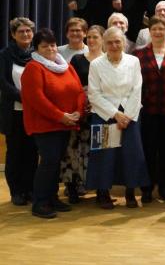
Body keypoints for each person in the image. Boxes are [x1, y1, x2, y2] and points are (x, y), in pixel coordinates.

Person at [20, 29, 86, 218]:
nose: (50, 48)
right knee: (48, 163)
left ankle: (52, 198)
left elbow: (79, 91)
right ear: (37, 49)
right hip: (45, 125)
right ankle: (40, 203)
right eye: (44, 46)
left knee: (56, 163)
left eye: (52, 44)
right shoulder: (34, 68)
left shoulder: (65, 66)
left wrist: (78, 112)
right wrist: (60, 116)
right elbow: (37, 100)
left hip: (66, 123)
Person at [86, 27, 149, 209]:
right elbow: (94, 94)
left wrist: (127, 116)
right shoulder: (96, 64)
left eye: (117, 41)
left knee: (132, 154)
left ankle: (130, 192)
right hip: (104, 114)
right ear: (104, 44)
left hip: (130, 114)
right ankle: (103, 193)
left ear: (124, 43)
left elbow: (137, 89)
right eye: (110, 42)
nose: (114, 45)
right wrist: (116, 114)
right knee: (105, 156)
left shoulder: (133, 61)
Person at [133, 16, 165, 202]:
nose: (157, 32)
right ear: (149, 31)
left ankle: (164, 187)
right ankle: (147, 188)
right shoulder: (138, 54)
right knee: (148, 150)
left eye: (161, 29)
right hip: (148, 110)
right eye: (153, 29)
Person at [61, 25, 104, 203]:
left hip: (100, 110)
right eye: (90, 37)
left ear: (103, 39)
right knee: (73, 149)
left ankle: (92, 185)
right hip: (80, 109)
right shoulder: (78, 59)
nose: (92, 40)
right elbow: (70, 85)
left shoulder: (107, 60)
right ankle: (71, 187)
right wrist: (81, 105)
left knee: (95, 150)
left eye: (96, 37)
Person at [0, 17, 37, 206]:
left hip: (35, 113)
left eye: (28, 31)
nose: (25, 34)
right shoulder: (5, 55)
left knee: (32, 152)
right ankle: (16, 191)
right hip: (14, 112)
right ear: (13, 34)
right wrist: (26, 98)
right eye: (21, 31)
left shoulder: (37, 54)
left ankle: (30, 189)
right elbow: (4, 84)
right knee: (15, 153)